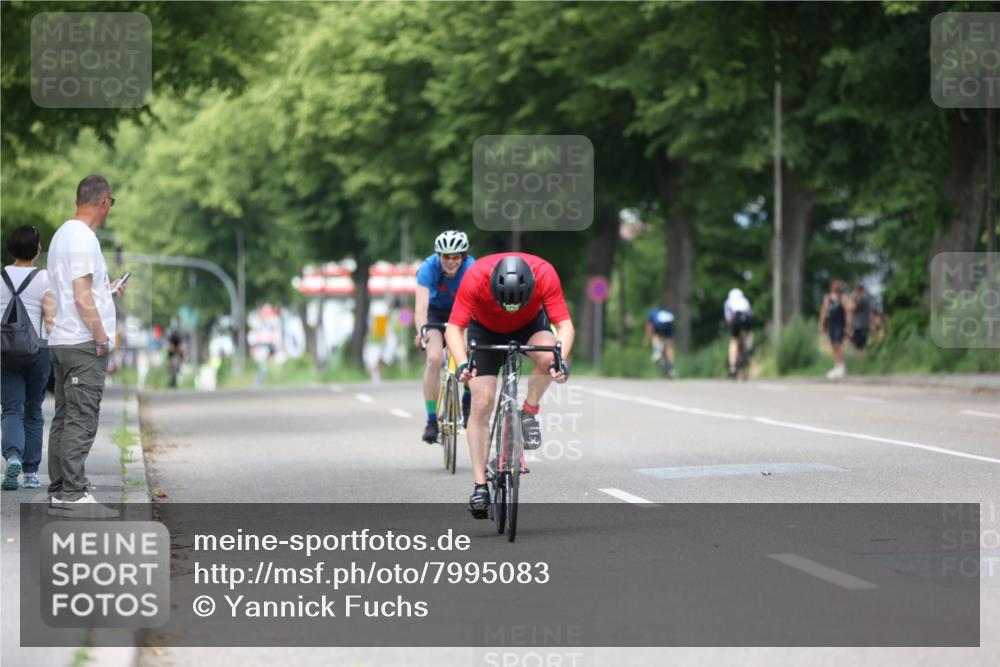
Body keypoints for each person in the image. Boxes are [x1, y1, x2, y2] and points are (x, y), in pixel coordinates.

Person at [444, 253, 573, 519]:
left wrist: (559, 361)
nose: (509, 307)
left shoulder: (545, 273)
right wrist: (462, 365)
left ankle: (529, 411)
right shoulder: (476, 277)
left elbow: (565, 325)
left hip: (529, 325)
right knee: (482, 402)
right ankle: (480, 486)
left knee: (549, 356)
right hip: (485, 329)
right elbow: (454, 329)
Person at [45, 175, 124, 518]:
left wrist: (107, 293)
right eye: (111, 203)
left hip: (62, 340)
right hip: (82, 343)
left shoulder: (62, 234)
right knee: (81, 418)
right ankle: (74, 494)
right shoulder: (82, 238)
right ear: (104, 201)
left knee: (64, 417)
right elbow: (80, 296)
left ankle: (61, 490)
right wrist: (102, 337)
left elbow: (74, 290)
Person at [1, 225, 57, 490]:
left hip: (5, 352)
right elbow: (51, 320)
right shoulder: (45, 278)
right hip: (38, 351)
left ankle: (12, 455)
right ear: (37, 249)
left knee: (11, 408)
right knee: (33, 411)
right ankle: (31, 472)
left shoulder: (0, 277)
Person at [414, 231, 475, 443]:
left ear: (464, 256)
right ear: (439, 256)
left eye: (456, 256)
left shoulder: (471, 269)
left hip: (462, 313)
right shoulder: (427, 268)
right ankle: (432, 420)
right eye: (445, 257)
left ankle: (467, 398)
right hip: (435, 314)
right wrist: (421, 332)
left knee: (467, 351)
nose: (450, 261)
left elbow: (477, 306)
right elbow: (421, 308)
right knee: (433, 359)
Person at [819, 278, 847, 380]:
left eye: (837, 285)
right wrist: (821, 324)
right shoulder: (828, 298)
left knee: (838, 344)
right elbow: (824, 310)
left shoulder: (842, 298)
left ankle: (842, 366)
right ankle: (837, 365)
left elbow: (848, 310)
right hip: (831, 324)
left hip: (840, 324)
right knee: (833, 345)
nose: (836, 287)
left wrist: (848, 325)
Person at [723, 288, 753, 378]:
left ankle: (732, 368)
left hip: (736, 318)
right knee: (749, 333)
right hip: (747, 318)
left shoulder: (728, 302)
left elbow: (728, 319)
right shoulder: (745, 300)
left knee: (734, 341)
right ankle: (748, 348)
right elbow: (750, 312)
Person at [644, 306, 675, 377]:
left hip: (658, 324)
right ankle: (671, 366)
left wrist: (647, 339)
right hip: (668, 325)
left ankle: (657, 353)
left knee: (655, 336)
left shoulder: (652, 313)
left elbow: (649, 327)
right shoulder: (667, 314)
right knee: (669, 346)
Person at [848, 282, 871, 359]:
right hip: (859, 325)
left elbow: (851, 307)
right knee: (859, 345)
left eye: (856, 290)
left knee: (861, 345)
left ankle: (864, 362)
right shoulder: (861, 299)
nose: (855, 292)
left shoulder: (862, 299)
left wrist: (852, 297)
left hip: (861, 325)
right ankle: (863, 362)